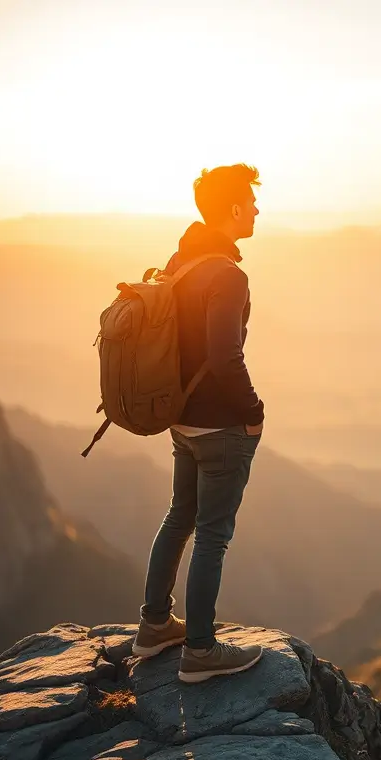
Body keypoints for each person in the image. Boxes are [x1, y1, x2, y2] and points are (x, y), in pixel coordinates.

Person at [131, 164, 266, 683]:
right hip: (220, 427)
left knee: (179, 517)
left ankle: (154, 625)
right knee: (212, 535)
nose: (256, 210)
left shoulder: (181, 262)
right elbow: (225, 356)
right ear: (232, 208)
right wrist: (254, 413)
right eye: (250, 203)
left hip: (181, 420)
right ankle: (202, 651)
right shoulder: (228, 276)